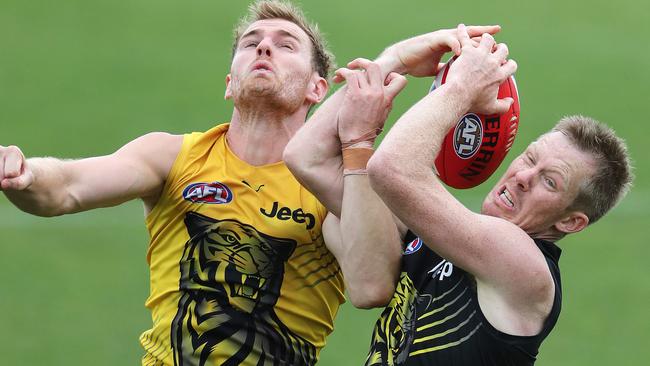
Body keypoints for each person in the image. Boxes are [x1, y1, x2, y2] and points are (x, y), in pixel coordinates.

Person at [284, 24, 633, 365]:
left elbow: (390, 169)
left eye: (550, 181)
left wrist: (461, 87)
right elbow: (307, 157)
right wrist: (394, 59)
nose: (524, 176)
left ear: (571, 221)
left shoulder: (525, 267)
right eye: (530, 158)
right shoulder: (441, 233)